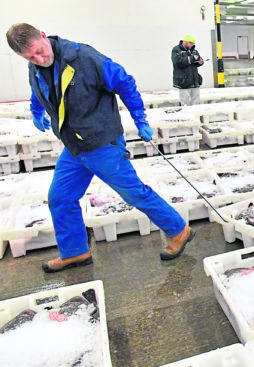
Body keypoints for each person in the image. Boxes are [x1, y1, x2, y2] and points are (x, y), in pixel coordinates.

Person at [6, 23, 194, 273]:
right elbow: (38, 86)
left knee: (134, 193)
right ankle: (75, 252)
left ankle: (178, 229)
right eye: (31, 57)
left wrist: (140, 119)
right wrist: (37, 110)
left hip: (102, 143)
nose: (39, 58)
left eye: (39, 51)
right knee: (60, 198)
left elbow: (124, 82)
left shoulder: (85, 58)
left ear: (43, 35)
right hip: (73, 147)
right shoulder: (35, 66)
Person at [172, 34, 204, 106]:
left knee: (196, 101)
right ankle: (186, 116)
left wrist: (200, 62)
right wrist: (192, 59)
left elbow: (197, 62)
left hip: (195, 80)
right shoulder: (176, 50)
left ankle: (196, 114)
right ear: (185, 42)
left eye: (193, 43)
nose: (192, 45)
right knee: (185, 102)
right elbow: (177, 62)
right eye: (191, 43)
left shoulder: (194, 51)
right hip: (183, 81)